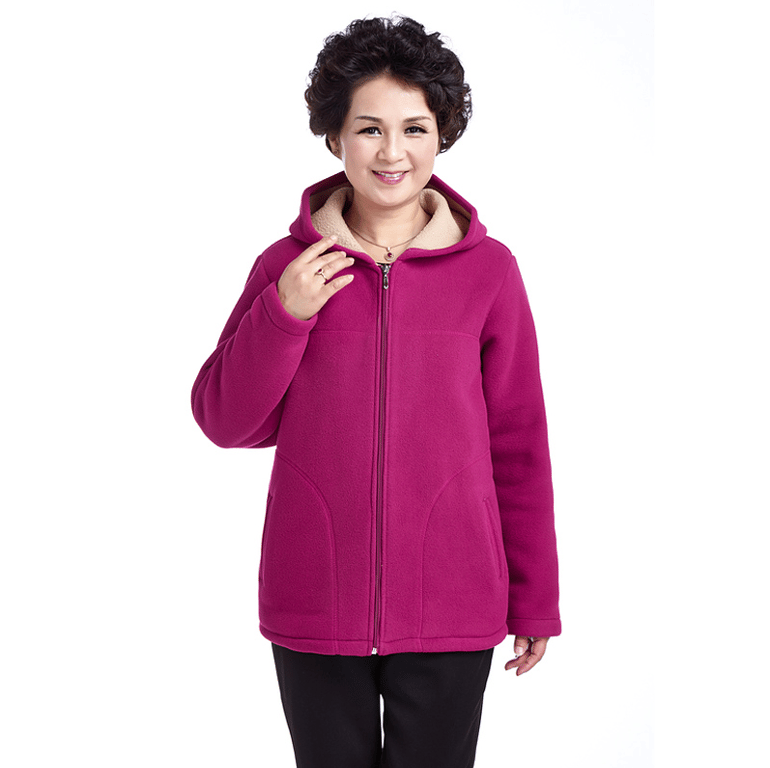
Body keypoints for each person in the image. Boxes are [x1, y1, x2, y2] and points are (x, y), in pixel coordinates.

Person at [191, 15, 561, 768]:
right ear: (334, 137)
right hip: (314, 601)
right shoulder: (286, 269)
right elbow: (226, 421)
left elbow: (519, 443)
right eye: (368, 128)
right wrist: (284, 314)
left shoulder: (490, 273)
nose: (392, 152)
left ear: (442, 135)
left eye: (414, 128)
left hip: (455, 600)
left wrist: (535, 597)